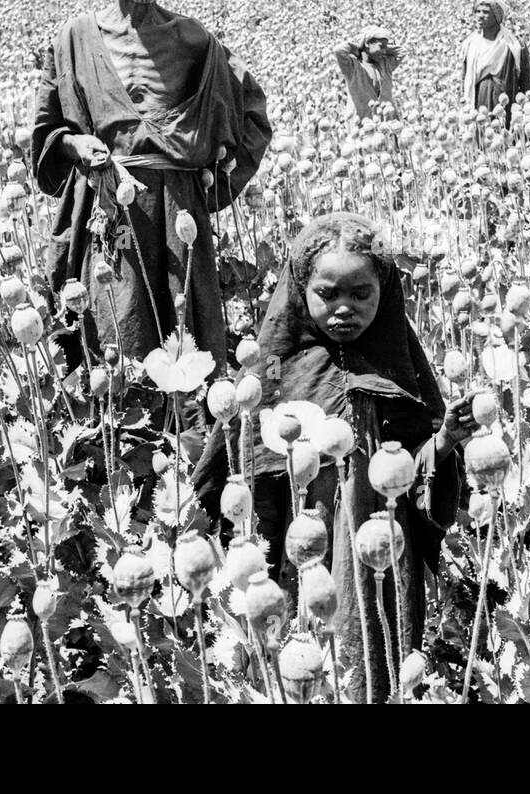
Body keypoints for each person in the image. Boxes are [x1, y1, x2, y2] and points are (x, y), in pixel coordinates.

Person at [192, 213, 476, 703]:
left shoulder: (397, 366)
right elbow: (241, 472)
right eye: (328, 294)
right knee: (301, 662)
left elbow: (417, 472)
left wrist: (446, 440)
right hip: (298, 547)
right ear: (302, 290)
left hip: (382, 550)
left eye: (361, 295)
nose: (344, 308)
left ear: (383, 294)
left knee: (375, 659)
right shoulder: (273, 371)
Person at [30, 0, 271, 370]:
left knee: (185, 329)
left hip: (179, 211)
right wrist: (74, 145)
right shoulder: (74, 38)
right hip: (106, 205)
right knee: (114, 328)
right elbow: (47, 130)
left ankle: (187, 434)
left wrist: (214, 178)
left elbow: (251, 115)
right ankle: (120, 428)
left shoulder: (194, 40)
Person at [461, 0, 530, 122]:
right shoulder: (470, 44)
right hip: (479, 104)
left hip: (508, 105)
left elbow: (526, 80)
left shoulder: (514, 45)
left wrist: (529, 109)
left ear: (497, 16)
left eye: (486, 12)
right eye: (478, 11)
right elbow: (465, 78)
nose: (480, 15)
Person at [333, 26, 402, 119]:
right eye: (381, 46)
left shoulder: (385, 64)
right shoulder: (352, 66)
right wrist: (357, 48)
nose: (384, 51)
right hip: (363, 122)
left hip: (387, 119)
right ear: (367, 43)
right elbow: (338, 50)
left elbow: (402, 52)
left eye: (386, 47)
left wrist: (383, 48)